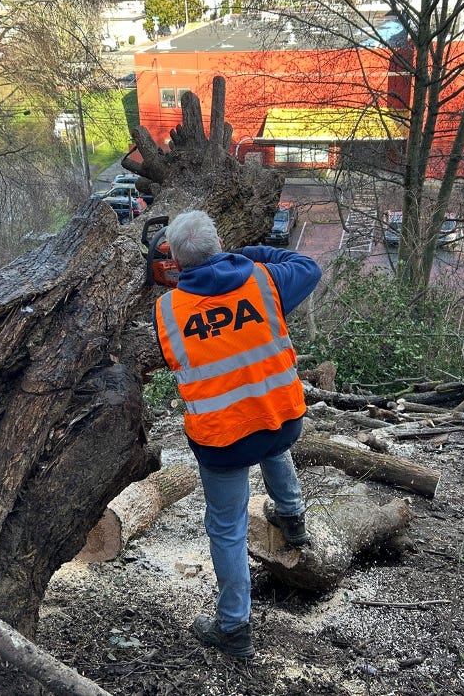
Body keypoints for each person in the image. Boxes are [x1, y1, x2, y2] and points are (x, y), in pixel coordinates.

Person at [153, 209, 322, 658]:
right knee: (266, 432)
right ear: (218, 243)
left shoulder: (168, 310)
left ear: (177, 260)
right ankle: (292, 516)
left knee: (227, 528)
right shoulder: (265, 281)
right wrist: (250, 254)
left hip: (223, 441)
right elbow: (310, 266)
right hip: (283, 420)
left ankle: (233, 627)